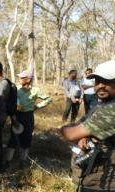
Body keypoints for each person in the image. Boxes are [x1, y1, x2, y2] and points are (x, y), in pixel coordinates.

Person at [60, 60, 115, 191]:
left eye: (106, 81)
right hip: (94, 174)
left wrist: (63, 129)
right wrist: (84, 137)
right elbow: (81, 125)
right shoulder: (101, 104)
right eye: (97, 81)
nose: (100, 85)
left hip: (104, 181)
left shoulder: (112, 110)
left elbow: (70, 133)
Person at [6, 70, 52, 168]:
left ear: (28, 79)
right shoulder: (16, 89)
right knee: (13, 139)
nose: (20, 79)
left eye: (22, 77)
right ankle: (7, 162)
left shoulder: (36, 90)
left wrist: (37, 106)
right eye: (20, 77)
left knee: (26, 139)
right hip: (17, 116)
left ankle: (23, 162)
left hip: (28, 117)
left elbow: (48, 99)